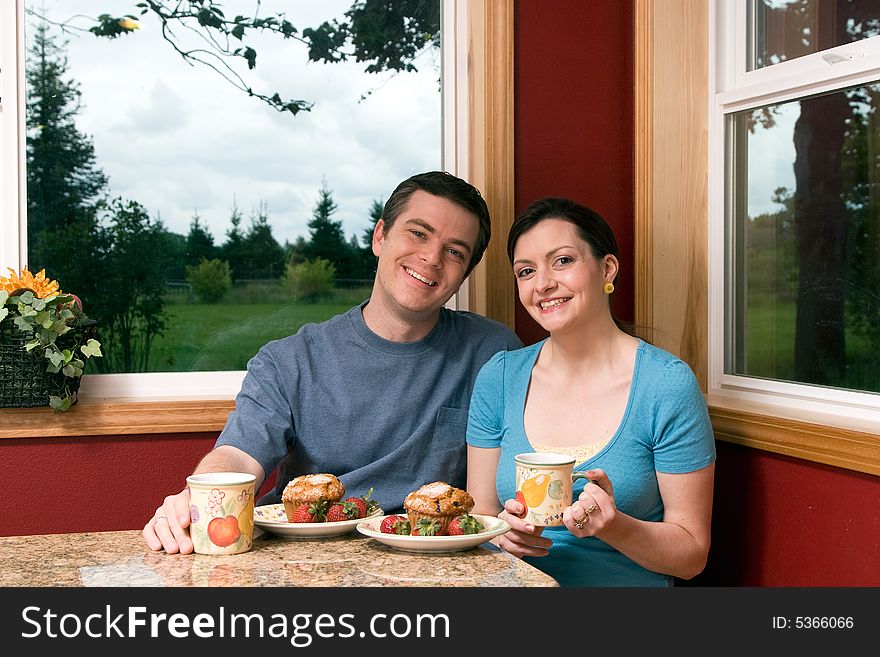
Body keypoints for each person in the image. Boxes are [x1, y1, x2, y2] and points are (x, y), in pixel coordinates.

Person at [144, 171, 522, 554]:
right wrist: (197, 497)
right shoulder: (288, 361)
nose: (431, 258)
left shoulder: (496, 353)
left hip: (434, 565)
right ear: (380, 236)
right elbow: (237, 455)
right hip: (305, 567)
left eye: (455, 251)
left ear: (466, 273)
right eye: (418, 233)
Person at [466, 197, 716, 587]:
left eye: (562, 261)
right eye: (526, 271)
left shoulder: (666, 385)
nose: (543, 284)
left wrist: (614, 526)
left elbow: (691, 555)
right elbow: (480, 515)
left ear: (607, 268)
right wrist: (502, 534)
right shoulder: (498, 377)